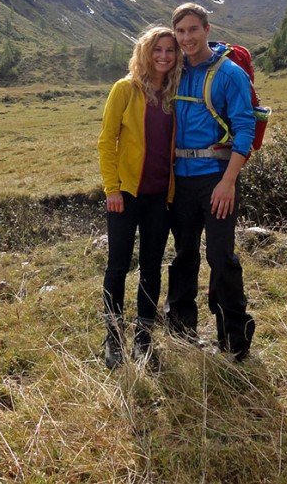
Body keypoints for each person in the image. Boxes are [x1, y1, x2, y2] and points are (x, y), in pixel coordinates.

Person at [164, 2, 257, 361]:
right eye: (180, 31)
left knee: (221, 258)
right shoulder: (174, 69)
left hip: (217, 178)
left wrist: (228, 182)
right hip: (181, 181)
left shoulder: (229, 73)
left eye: (192, 30)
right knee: (184, 254)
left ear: (206, 29)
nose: (186, 38)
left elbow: (245, 128)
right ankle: (181, 329)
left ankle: (235, 340)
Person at [97, 25, 182, 368]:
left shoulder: (175, 94)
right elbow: (107, 140)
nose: (163, 56)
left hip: (160, 196)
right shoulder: (125, 89)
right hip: (127, 195)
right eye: (157, 49)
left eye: (170, 50)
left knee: (151, 268)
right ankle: (113, 338)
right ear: (146, 52)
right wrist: (112, 188)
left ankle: (143, 340)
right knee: (117, 266)